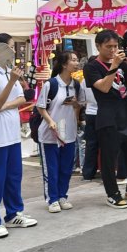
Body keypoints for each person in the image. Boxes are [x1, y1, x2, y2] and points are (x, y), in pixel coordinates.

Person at [84, 29, 127, 209]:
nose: (113, 50)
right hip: (108, 116)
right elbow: (104, 88)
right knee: (109, 157)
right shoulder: (92, 67)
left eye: (115, 46)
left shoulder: (122, 64)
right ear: (98, 46)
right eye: (108, 46)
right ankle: (112, 194)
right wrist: (115, 65)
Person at [0, 33, 38, 239]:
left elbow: (22, 98)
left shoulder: (8, 71)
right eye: (12, 47)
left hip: (12, 134)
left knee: (13, 176)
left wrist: (6, 105)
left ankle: (13, 214)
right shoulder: (4, 75)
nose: (14, 51)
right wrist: (11, 82)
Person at [36, 51, 85, 213]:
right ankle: (52, 199)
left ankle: (62, 196)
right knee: (51, 169)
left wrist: (75, 104)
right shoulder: (51, 84)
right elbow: (40, 107)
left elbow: (80, 105)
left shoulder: (76, 85)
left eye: (77, 60)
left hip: (69, 132)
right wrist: (50, 121)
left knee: (66, 168)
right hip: (50, 134)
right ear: (64, 64)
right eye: (73, 60)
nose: (77, 63)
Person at [81, 56, 99, 181]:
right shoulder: (101, 77)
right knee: (106, 144)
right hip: (102, 112)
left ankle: (88, 172)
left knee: (91, 144)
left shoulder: (84, 80)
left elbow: (82, 99)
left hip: (89, 113)